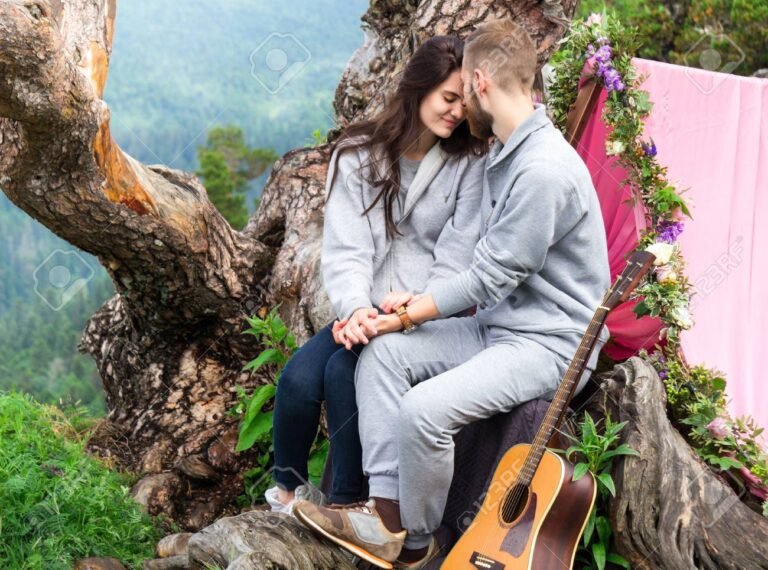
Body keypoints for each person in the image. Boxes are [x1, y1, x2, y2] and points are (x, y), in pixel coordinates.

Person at [293, 18, 611, 569]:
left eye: (462, 88)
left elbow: (489, 275)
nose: (460, 105)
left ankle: (418, 543)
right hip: (499, 326)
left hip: (549, 343)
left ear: (481, 82)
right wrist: (393, 317)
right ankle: (386, 518)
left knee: (424, 411)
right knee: (384, 359)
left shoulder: (543, 171)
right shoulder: (508, 151)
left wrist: (405, 314)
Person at [266, 35, 488, 514]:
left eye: (463, 104)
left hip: (425, 315)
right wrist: (356, 310)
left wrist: (413, 309)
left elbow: (457, 257)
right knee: (300, 380)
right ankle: (286, 497)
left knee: (345, 374)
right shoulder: (358, 153)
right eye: (448, 98)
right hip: (361, 308)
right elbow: (346, 249)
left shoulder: (469, 163)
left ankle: (350, 505)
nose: (455, 113)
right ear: (418, 88)